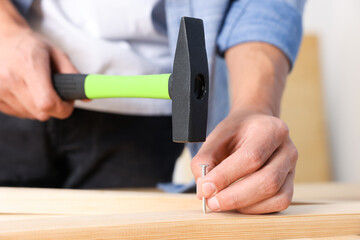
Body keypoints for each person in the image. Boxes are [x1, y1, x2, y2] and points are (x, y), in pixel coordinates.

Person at [0, 0, 306, 214]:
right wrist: (5, 29)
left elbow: (267, 5)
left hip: (142, 125)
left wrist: (254, 105)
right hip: (11, 79)